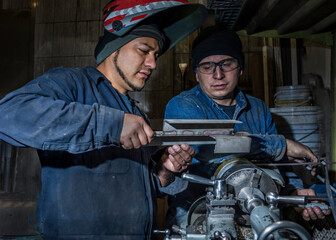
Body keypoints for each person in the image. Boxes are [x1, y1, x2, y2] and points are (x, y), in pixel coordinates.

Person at [0, 1, 208, 239]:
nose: (152, 64)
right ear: (114, 49)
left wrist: (164, 171)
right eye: (143, 50)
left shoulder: (135, 112)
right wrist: (111, 125)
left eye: (155, 55)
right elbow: (8, 115)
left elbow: (129, 187)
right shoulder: (73, 84)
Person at [164, 25, 330, 227]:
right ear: (196, 74)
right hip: (196, 219)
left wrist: (294, 196)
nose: (218, 75)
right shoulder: (183, 106)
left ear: (241, 68)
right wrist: (281, 145)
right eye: (207, 67)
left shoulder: (258, 108)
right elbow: (213, 150)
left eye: (227, 64)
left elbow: (273, 169)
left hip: (253, 219)